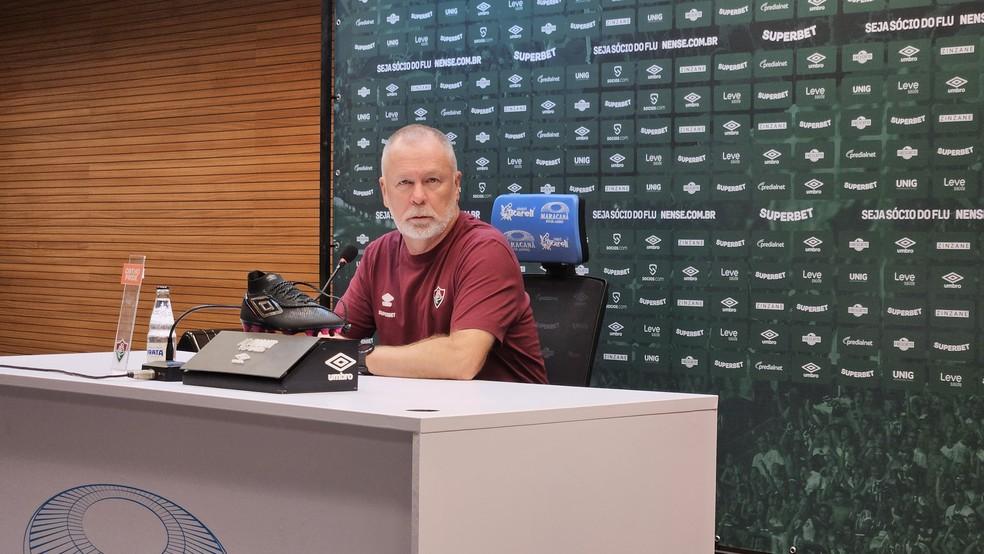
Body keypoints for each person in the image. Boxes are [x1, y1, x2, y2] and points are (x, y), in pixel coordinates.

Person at [334, 124, 547, 383]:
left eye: (432, 180)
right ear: (385, 192)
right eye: (404, 183)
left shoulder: (485, 250)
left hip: (503, 420)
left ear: (457, 185)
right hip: (415, 413)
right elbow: (334, 343)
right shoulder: (378, 254)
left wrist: (360, 356)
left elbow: (460, 361)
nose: (418, 197)